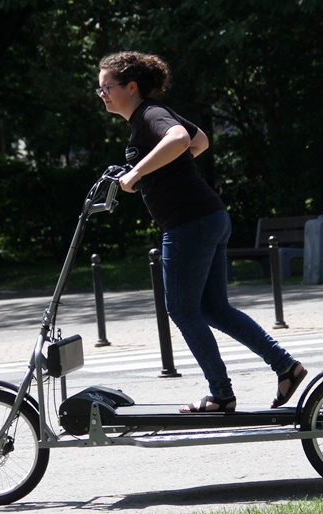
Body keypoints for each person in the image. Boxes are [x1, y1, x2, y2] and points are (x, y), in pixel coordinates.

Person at [97, 51, 306, 413]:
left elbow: (181, 138)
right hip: (208, 217)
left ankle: (221, 394)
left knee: (182, 309)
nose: (101, 94)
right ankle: (285, 366)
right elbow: (201, 141)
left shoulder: (149, 115)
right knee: (214, 308)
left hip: (189, 223)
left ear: (131, 87)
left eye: (107, 87)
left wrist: (139, 172)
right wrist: (164, 168)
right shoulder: (147, 118)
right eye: (99, 89)